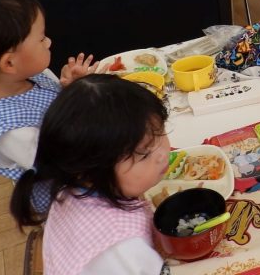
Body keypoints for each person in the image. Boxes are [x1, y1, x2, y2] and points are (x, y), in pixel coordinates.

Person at [11, 74, 170, 275]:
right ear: (91, 170)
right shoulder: (122, 247)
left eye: (161, 132)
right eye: (144, 153)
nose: (163, 154)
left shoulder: (72, 189)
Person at [0, 0, 98, 185]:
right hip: (66, 188)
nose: (49, 42)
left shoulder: (29, 74)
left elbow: (59, 106)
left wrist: (71, 88)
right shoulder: (10, 132)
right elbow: (65, 163)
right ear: (9, 63)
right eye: (41, 39)